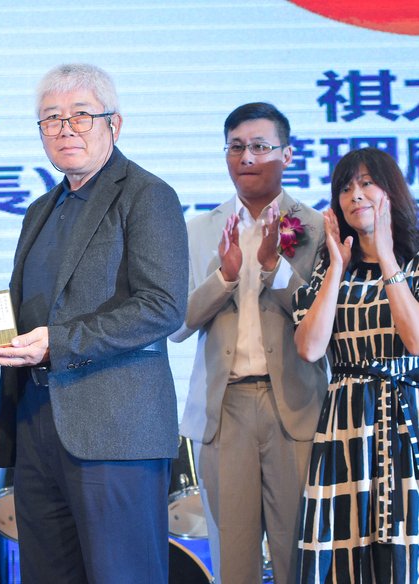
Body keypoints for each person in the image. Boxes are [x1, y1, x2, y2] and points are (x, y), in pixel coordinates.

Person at [0, 63, 188, 583]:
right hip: (35, 425)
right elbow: (28, 311)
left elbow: (164, 306)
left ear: (113, 124)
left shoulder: (146, 195)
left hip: (114, 432)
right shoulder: (40, 209)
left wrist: (58, 343)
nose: (65, 129)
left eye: (80, 116)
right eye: (51, 119)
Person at [169, 102, 327, 583]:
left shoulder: (318, 228)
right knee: (234, 562)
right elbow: (176, 323)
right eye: (236, 147)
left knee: (298, 557)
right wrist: (225, 277)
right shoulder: (200, 230)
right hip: (224, 410)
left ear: (287, 154)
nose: (247, 157)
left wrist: (275, 269)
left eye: (260, 146)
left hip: (295, 407)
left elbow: (324, 324)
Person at [293, 147, 419, 583]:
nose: (356, 195)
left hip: (406, 419)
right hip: (346, 421)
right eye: (346, 188)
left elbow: (416, 341)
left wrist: (387, 257)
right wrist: (336, 268)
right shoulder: (330, 268)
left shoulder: (413, 262)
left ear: (391, 191)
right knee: (343, 544)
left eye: (367, 183)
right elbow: (310, 348)